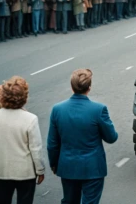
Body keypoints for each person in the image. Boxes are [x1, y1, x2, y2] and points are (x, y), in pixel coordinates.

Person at [47, 69, 118, 204]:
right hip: (92, 168)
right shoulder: (99, 109)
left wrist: (54, 164)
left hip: (67, 167)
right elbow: (111, 137)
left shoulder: (57, 109)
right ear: (89, 87)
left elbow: (52, 144)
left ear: (71, 87)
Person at [0, 76, 45, 204]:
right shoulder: (30, 119)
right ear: (24, 97)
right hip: (25, 172)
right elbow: (36, 149)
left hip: (1, 171)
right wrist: (40, 170)